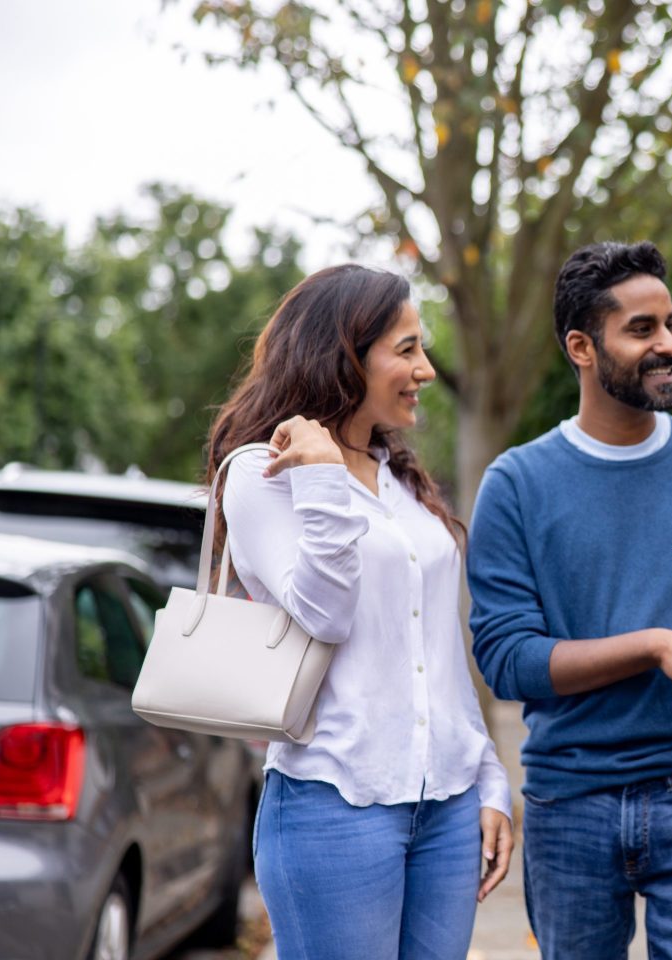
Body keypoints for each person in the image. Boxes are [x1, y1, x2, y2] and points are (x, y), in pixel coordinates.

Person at [466, 241, 672, 960]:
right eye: (643, 330)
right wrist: (655, 646)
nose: (668, 346)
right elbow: (506, 660)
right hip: (569, 804)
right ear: (581, 347)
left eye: (670, 325)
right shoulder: (517, 484)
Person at [206, 264, 512, 960]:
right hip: (334, 801)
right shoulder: (264, 472)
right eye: (406, 349)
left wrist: (490, 778)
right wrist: (320, 476)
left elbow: (436, 647)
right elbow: (325, 613)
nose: (426, 369)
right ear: (345, 353)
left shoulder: (400, 477)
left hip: (448, 801)